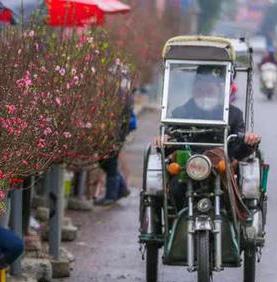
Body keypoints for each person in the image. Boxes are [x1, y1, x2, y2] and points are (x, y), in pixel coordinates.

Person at [157, 66, 261, 209]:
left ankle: (236, 225)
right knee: (173, 189)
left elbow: (238, 152)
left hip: (222, 171)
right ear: (193, 90)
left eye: (210, 90)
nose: (205, 95)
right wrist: (164, 140)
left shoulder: (234, 115)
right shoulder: (181, 112)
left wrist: (249, 142)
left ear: (220, 91)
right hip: (188, 169)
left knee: (234, 193)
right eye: (200, 90)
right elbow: (170, 140)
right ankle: (175, 222)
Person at [94, 84, 136, 206]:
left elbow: (120, 119)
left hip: (114, 136)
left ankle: (111, 196)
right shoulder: (120, 95)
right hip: (112, 135)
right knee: (105, 163)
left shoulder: (121, 97)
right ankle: (122, 189)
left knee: (110, 164)